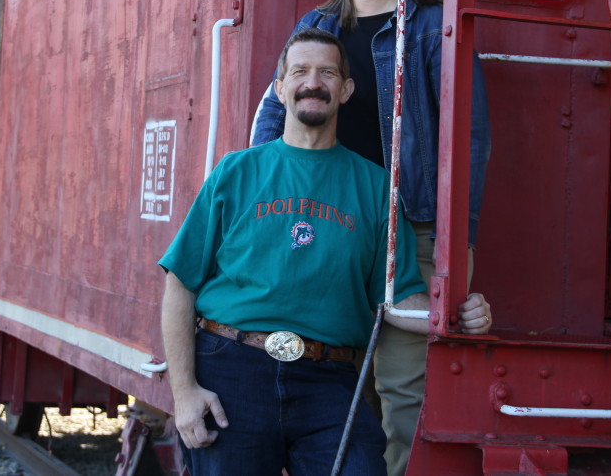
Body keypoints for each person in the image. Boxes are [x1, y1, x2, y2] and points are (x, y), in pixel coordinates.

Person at [159, 29, 489, 475]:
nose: (313, 82)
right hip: (232, 370)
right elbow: (180, 283)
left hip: (327, 379)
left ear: (346, 89)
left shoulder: (375, 187)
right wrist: (184, 394)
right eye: (300, 71)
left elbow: (396, 299)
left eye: (327, 72)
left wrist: (455, 313)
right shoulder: (236, 172)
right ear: (280, 88)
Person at [251, 0, 492, 475]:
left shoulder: (433, 27)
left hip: (409, 229)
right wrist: (267, 204)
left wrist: (459, 244)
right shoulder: (316, 26)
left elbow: (472, 138)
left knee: (405, 389)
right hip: (329, 224)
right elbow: (272, 117)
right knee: (335, 379)